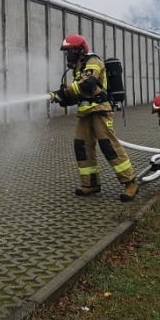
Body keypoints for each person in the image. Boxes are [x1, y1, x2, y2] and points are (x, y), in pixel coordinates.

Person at [49, 34, 138, 201]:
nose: (68, 56)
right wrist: (61, 97)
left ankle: (130, 182)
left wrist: (63, 91)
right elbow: (78, 93)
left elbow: (88, 83)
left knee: (108, 145)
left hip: (100, 110)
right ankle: (91, 184)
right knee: (82, 146)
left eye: (70, 52)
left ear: (79, 50)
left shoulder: (93, 61)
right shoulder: (78, 67)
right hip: (85, 113)